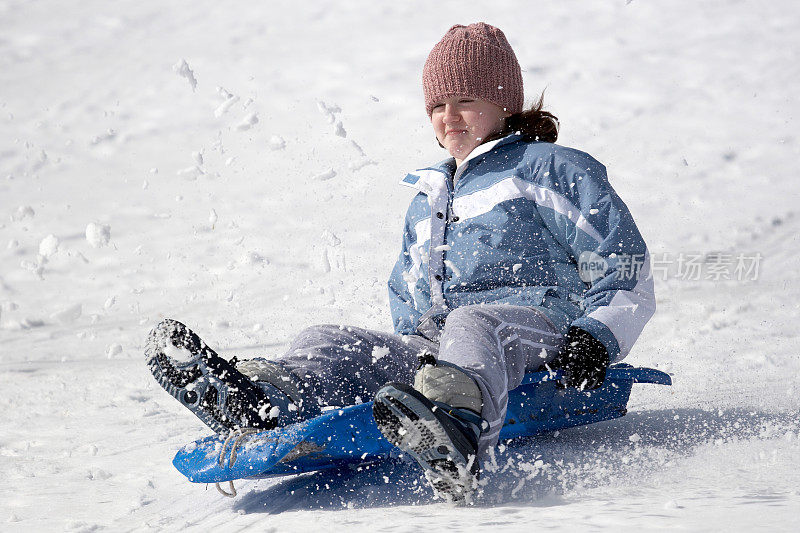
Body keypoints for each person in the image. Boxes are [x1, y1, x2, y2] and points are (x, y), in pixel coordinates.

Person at [145, 22, 655, 503]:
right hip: (441, 346)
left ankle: (456, 425)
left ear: (503, 102)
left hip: (539, 334)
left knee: (474, 323)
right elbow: (409, 295)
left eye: (465, 101)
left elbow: (623, 262)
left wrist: (596, 335)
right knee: (331, 339)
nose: (448, 117)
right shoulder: (430, 194)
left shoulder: (547, 169)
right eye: (437, 105)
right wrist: (407, 351)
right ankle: (265, 399)